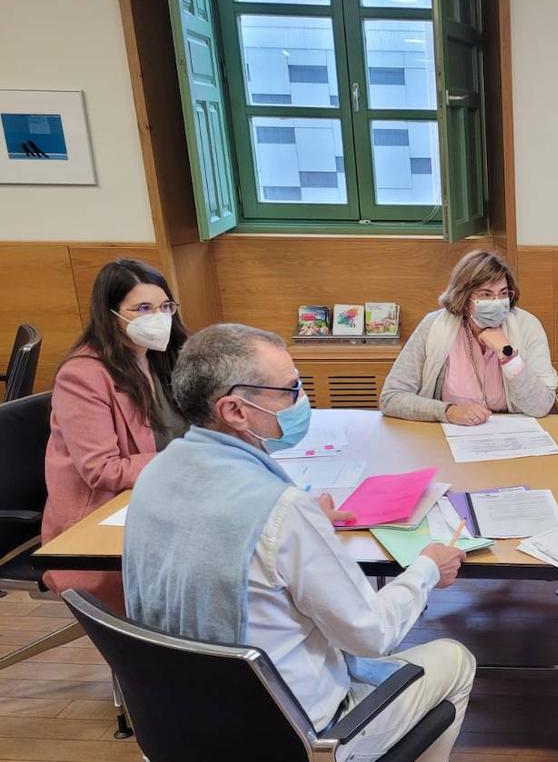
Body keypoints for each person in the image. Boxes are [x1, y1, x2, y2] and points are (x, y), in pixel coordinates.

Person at [122, 324, 475, 761]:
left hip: (181, 723)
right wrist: (426, 569)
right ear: (235, 410)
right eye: (289, 389)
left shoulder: (157, 474)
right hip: (290, 736)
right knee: (456, 660)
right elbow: (372, 635)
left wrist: (305, 522)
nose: (301, 399)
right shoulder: (282, 512)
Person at [42, 258, 189, 613]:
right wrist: (190, 459)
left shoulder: (161, 358)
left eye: (164, 306)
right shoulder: (83, 375)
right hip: (101, 522)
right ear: (111, 315)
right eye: (142, 308)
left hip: (166, 495)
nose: (158, 317)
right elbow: (103, 470)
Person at [380, 250, 557, 425]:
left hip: (515, 434)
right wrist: (448, 411)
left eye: (503, 293)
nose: (497, 302)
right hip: (452, 435)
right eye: (486, 294)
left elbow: (541, 406)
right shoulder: (434, 326)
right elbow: (391, 397)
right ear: (464, 298)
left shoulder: (527, 325)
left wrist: (508, 355)